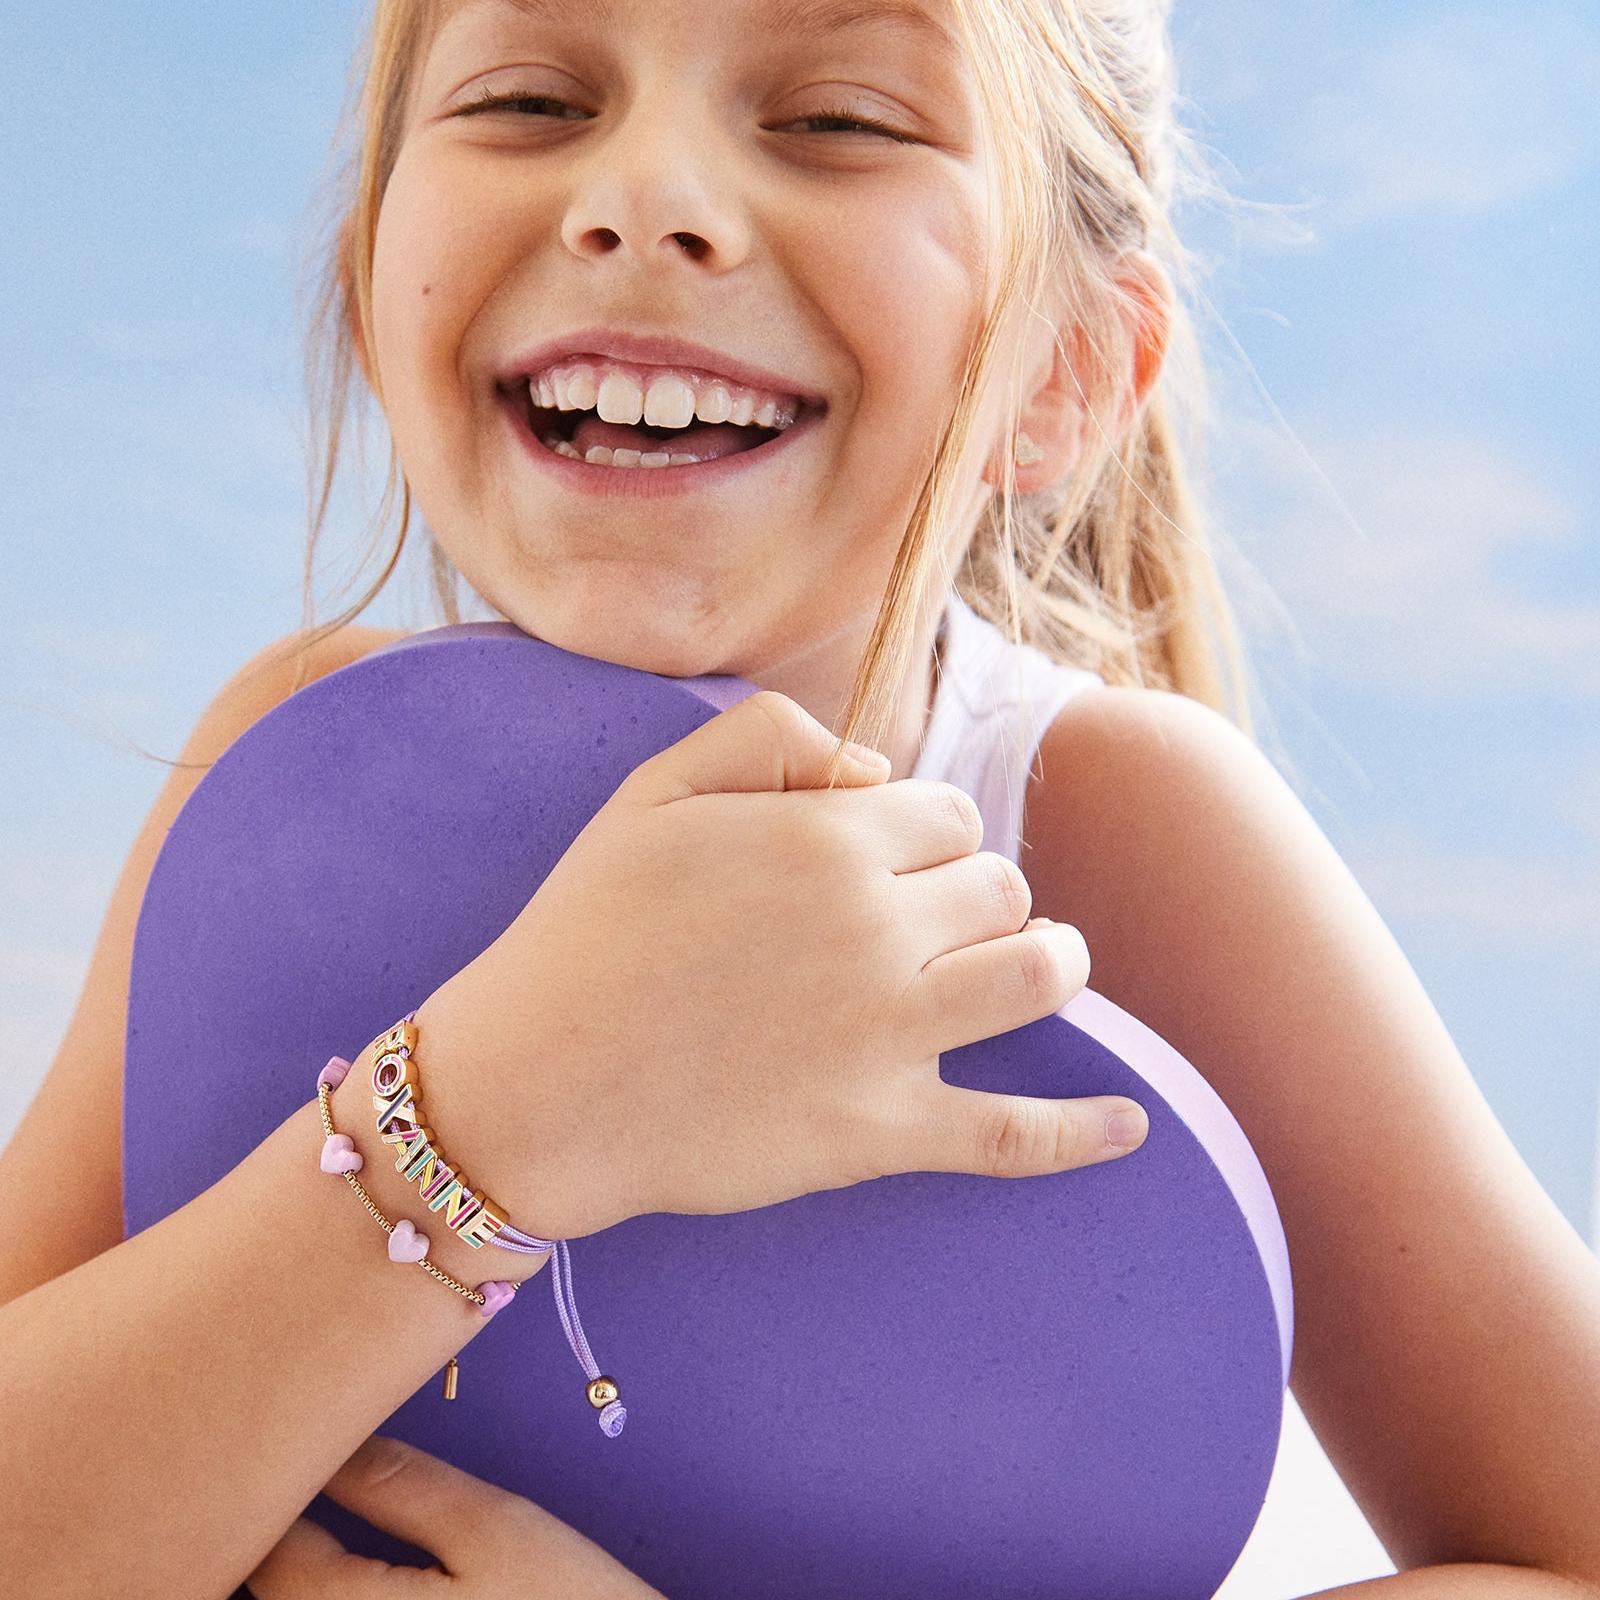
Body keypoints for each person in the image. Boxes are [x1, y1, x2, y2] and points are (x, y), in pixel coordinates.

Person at [4, 0, 1600, 1596]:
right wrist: (487, 1121)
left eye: (838, 119)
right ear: (373, 286)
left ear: (1062, 370)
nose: (645, 197)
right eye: (532, 99)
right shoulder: (282, 776)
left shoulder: (1121, 838)